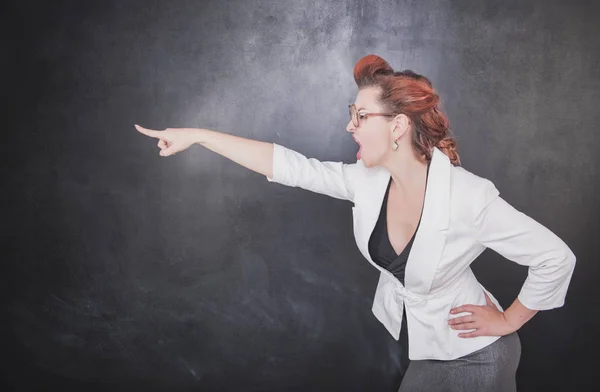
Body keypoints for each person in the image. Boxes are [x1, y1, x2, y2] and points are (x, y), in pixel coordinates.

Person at [134, 54, 576, 392]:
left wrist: (509, 321)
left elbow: (555, 258)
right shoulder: (366, 182)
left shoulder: (469, 196)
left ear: (398, 126)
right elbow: (291, 166)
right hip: (426, 353)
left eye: (361, 116)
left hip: (478, 358)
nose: (350, 126)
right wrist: (199, 136)